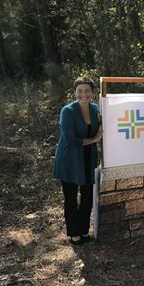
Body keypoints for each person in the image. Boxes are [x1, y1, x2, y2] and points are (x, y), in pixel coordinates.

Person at [54, 77, 103, 245]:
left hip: (89, 158)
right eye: (80, 91)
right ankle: (74, 233)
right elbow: (71, 140)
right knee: (71, 196)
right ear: (75, 92)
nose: (84, 94)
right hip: (70, 159)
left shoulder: (96, 109)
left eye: (87, 91)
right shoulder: (67, 111)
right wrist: (95, 139)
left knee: (88, 195)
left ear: (93, 93)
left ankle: (83, 230)